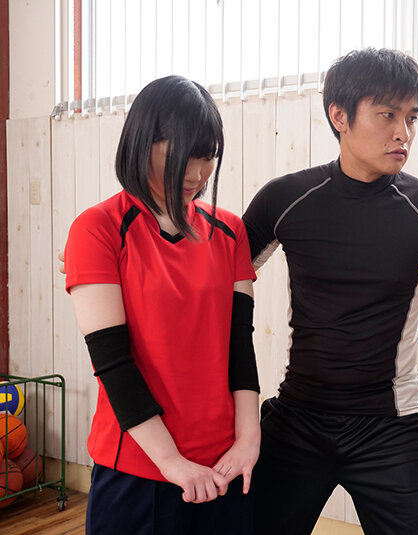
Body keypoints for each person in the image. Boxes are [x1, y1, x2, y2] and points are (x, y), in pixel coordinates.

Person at [244, 47, 418, 534]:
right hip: (298, 419)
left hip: (390, 427)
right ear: (340, 117)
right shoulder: (286, 199)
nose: (404, 133)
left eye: (411, 118)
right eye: (387, 115)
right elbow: (212, 283)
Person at [64, 75, 261, 534]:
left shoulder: (229, 230)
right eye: (185, 155)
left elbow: (240, 347)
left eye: (208, 156)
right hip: (138, 467)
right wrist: (171, 462)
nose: (198, 173)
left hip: (226, 465)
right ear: (143, 143)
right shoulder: (97, 229)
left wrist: (249, 440)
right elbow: (113, 363)